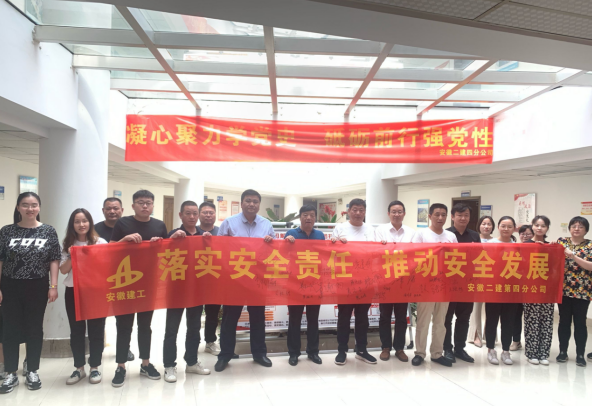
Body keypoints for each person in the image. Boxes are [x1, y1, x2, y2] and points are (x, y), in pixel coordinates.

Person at [0, 192, 61, 394]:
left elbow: (54, 259)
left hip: (37, 285)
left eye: (34, 205)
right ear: (18, 208)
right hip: (10, 286)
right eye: (25, 205)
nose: (30, 208)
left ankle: (32, 369)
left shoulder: (48, 231)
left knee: (34, 328)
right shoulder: (7, 231)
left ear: (39, 207)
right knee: (10, 329)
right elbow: (1, 260)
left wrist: (53, 286)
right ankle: (10, 372)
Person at [109, 190, 169, 387]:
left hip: (148, 283)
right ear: (133, 205)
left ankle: (145, 363)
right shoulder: (122, 223)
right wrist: (124, 241)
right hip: (125, 282)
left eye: (148, 203)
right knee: (124, 325)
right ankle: (121, 366)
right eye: (141, 202)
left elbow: (167, 253)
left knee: (145, 325)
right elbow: (109, 250)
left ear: (153, 206)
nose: (145, 206)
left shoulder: (159, 225)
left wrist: (160, 245)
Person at [214, 189, 275, 372]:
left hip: (257, 279)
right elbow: (219, 249)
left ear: (259, 204)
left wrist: (270, 243)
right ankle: (225, 355)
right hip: (235, 279)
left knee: (258, 318)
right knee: (229, 319)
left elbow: (273, 251)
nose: (251, 204)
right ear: (241, 203)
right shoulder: (229, 223)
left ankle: (259, 354)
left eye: (255, 201)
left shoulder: (266, 224)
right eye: (248, 201)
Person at [162, 201, 212, 383]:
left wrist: (209, 242)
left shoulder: (204, 236)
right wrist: (172, 240)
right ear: (180, 215)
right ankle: (169, 365)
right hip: (176, 290)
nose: (192, 217)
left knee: (194, 328)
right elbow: (162, 257)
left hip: (196, 290)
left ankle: (191, 362)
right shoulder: (172, 234)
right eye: (188, 213)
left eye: (194, 213)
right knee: (171, 329)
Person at [59, 209, 107, 385]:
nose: (81, 224)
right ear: (72, 225)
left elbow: (107, 266)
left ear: (90, 223)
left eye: (85, 220)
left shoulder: (100, 242)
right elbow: (63, 270)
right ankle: (79, 368)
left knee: (96, 330)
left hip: (95, 291)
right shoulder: (67, 244)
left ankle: (94, 367)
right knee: (76, 330)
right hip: (73, 291)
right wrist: (72, 254)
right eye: (77, 221)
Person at [331, 198, 377, 366]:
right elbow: (331, 252)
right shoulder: (340, 228)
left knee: (362, 317)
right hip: (345, 281)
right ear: (348, 211)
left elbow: (377, 252)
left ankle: (362, 350)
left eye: (361, 210)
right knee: (344, 317)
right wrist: (336, 244)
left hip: (366, 280)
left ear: (365, 212)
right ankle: (341, 350)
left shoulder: (371, 230)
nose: (358, 213)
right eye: (355, 210)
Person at [410, 203, 457, 368]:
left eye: (443, 214)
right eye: (437, 214)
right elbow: (414, 257)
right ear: (429, 216)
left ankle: (437, 353)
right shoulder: (421, 234)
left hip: (444, 285)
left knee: (440, 322)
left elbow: (456, 258)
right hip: (426, 285)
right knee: (423, 321)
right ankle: (420, 353)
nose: (440, 218)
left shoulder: (451, 236)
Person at [94, 198, 135, 363]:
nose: (112, 211)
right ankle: (97, 351)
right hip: (100, 281)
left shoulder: (129, 227)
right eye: (108, 208)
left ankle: (124, 349)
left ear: (122, 210)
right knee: (98, 319)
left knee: (124, 320)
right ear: (103, 211)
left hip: (124, 280)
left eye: (116, 208)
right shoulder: (94, 230)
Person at [284, 204, 325, 366]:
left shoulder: (320, 235)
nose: (309, 218)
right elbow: (282, 255)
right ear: (300, 217)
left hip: (315, 283)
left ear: (315, 218)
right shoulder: (291, 234)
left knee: (313, 320)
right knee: (294, 320)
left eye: (312, 215)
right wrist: (287, 243)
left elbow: (325, 256)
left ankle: (313, 352)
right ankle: (293, 353)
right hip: (295, 284)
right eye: (305, 215)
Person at [375, 200, 415, 363]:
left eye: (399, 212)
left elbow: (414, 254)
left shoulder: (412, 232)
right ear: (388, 214)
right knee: (385, 316)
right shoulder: (380, 231)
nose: (396, 214)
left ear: (404, 214)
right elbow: (377, 252)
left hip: (404, 280)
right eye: (393, 212)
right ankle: (385, 347)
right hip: (385, 280)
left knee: (401, 316)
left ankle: (399, 348)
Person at [443, 203, 480, 364]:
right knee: (447, 318)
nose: (463, 218)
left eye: (466, 215)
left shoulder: (474, 236)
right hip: (449, 283)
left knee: (464, 317)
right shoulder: (445, 234)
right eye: (459, 215)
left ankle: (460, 348)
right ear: (452, 217)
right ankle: (447, 348)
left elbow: (479, 258)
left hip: (467, 283)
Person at [557, 216, 592, 367]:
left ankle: (580, 355)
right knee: (563, 322)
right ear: (569, 228)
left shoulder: (590, 245)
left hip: (583, 291)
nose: (576, 229)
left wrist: (573, 256)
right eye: (574, 226)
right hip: (563, 290)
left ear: (586, 230)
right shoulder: (561, 242)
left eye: (580, 226)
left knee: (580, 323)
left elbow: (590, 266)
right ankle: (563, 352)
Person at [485, 216, 519, 366]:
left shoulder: (518, 246)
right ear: (498, 227)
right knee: (491, 320)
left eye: (509, 226)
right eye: (503, 226)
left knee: (508, 321)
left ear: (514, 229)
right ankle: (491, 349)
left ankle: (506, 351)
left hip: (511, 290)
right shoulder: (489, 244)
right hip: (493, 289)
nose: (506, 229)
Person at [523, 215, 554, 366]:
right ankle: (531, 353)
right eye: (537, 225)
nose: (539, 228)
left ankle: (544, 353)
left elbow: (554, 268)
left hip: (547, 290)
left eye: (543, 226)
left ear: (547, 228)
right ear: (532, 226)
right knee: (532, 321)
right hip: (531, 289)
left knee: (546, 321)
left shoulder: (551, 246)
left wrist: (551, 249)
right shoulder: (525, 245)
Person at [196, 201, 222, 356]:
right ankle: (193, 342)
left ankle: (210, 342)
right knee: (194, 314)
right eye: (204, 212)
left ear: (215, 215)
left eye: (211, 212)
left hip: (215, 279)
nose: (208, 215)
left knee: (213, 313)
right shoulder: (193, 232)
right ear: (199, 215)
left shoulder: (221, 232)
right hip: (196, 280)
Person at [468, 215, 495, 348]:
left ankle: (490, 335)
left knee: (492, 309)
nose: (486, 226)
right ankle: (476, 335)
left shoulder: (496, 241)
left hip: (493, 277)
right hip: (477, 276)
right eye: (483, 223)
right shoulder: (473, 239)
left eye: (489, 224)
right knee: (476, 307)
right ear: (479, 225)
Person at [509, 225, 535, 352]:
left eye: (528, 234)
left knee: (531, 317)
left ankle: (532, 343)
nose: (525, 236)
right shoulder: (515, 248)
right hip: (517, 288)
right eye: (523, 234)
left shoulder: (539, 248)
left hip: (532, 288)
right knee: (516, 316)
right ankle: (516, 341)